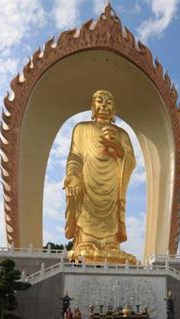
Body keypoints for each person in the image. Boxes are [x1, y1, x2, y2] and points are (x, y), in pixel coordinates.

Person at [64, 90, 137, 264]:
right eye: (100, 101)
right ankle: (86, 242)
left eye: (109, 102)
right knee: (86, 210)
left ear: (114, 109)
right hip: (88, 180)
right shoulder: (82, 128)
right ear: (93, 106)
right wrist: (73, 175)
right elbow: (75, 156)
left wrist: (116, 146)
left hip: (112, 182)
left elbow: (131, 160)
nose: (104, 105)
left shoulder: (122, 133)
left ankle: (111, 244)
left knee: (111, 212)